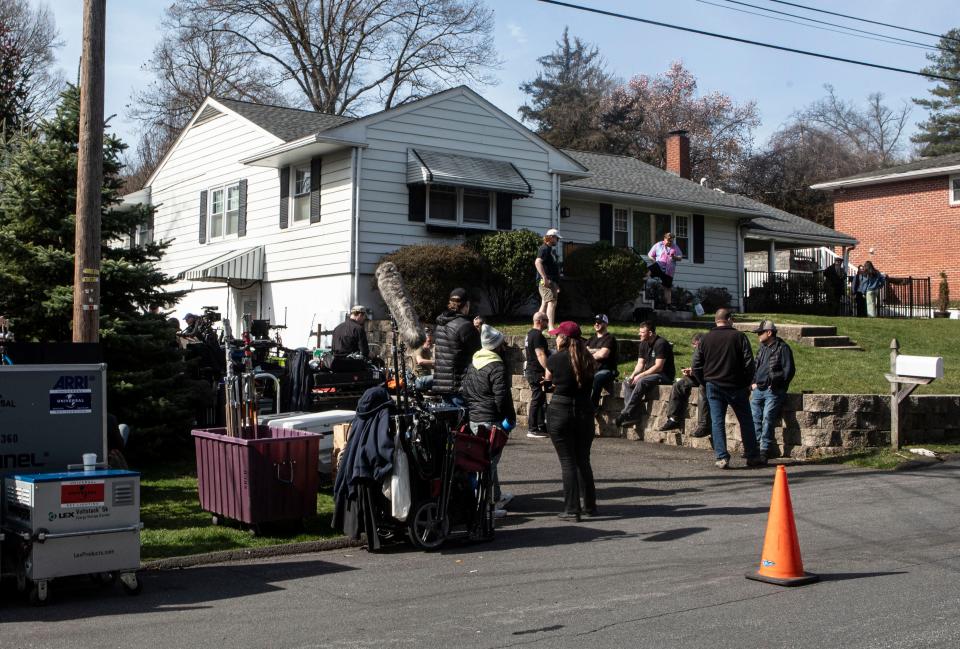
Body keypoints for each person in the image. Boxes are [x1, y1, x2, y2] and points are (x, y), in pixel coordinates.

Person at [692, 308, 762, 469]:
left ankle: (722, 457)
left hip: (713, 385)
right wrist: (745, 382)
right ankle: (752, 455)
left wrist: (704, 380)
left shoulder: (706, 339)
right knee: (746, 420)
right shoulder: (739, 337)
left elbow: (696, 364)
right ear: (729, 319)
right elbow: (749, 364)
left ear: (716, 320)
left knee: (717, 421)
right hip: (736, 385)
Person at [543, 321, 597, 521]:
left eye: (558, 335)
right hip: (584, 411)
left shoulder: (556, 359)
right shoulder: (588, 359)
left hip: (560, 411)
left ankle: (571, 507)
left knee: (567, 462)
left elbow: (548, 380)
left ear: (563, 338)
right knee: (583, 460)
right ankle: (590, 505)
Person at [461, 324, 517, 518]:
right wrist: (508, 419)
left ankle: (495, 496)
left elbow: (465, 390)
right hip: (491, 420)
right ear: (497, 346)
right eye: (502, 344)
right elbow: (501, 397)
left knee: (484, 461)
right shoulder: (497, 366)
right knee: (488, 465)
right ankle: (484, 508)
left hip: (475, 418)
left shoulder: (474, 362)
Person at [615, 321, 675, 427]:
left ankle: (625, 413)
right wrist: (633, 375)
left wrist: (641, 375)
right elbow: (640, 364)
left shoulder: (661, 343)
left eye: (642, 332)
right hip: (650, 374)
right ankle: (633, 415)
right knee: (627, 382)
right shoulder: (643, 343)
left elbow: (658, 367)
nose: (639, 334)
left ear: (650, 333)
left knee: (641, 381)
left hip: (664, 375)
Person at [751, 320, 795, 462]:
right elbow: (754, 367)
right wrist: (753, 383)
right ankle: (756, 448)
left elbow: (788, 371)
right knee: (755, 418)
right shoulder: (762, 348)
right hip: (758, 389)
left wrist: (775, 383)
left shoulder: (783, 348)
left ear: (769, 333)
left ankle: (765, 450)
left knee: (768, 419)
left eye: (760, 332)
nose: (758, 335)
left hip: (773, 391)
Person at [658, 332, 711, 438]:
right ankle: (673, 419)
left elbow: (711, 368)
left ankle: (704, 425)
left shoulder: (709, 350)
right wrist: (690, 371)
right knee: (678, 384)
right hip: (697, 376)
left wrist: (694, 372)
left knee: (702, 389)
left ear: (700, 343)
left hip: (707, 378)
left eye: (696, 346)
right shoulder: (699, 352)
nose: (695, 349)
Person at [433, 288, 482, 400]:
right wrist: (477, 331)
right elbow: (478, 351)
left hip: (441, 384)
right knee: (462, 416)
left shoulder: (440, 323)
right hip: (459, 385)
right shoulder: (464, 325)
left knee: (449, 416)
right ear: (466, 305)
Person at [524, 312, 550, 439]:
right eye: (546, 320)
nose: (548, 322)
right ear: (539, 321)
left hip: (531, 370)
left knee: (540, 399)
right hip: (536, 371)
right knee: (537, 398)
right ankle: (532, 428)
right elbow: (540, 354)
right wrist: (548, 369)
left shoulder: (530, 334)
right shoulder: (538, 335)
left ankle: (540, 426)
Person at [586, 314, 618, 411]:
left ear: (606, 324)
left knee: (598, 378)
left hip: (607, 370)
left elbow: (603, 355)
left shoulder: (610, 338)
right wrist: (597, 351)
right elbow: (584, 353)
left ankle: (593, 407)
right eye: (595, 322)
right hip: (592, 370)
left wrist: (591, 352)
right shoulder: (591, 339)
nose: (596, 324)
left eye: (599, 322)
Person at [535, 228, 562, 331]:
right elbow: (537, 262)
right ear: (551, 237)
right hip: (546, 281)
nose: (558, 241)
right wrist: (544, 278)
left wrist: (556, 284)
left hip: (552, 281)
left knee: (545, 302)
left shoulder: (550, 250)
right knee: (551, 302)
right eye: (556, 238)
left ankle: (538, 327)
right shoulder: (544, 249)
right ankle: (550, 328)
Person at [647, 232, 683, 309]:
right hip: (659, 265)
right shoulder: (658, 245)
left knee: (667, 287)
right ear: (664, 238)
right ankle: (642, 281)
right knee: (648, 270)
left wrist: (675, 257)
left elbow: (680, 257)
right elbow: (650, 254)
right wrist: (654, 261)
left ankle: (668, 305)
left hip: (669, 271)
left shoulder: (675, 247)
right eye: (668, 240)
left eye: (671, 240)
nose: (670, 242)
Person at [411, 328, 435, 392]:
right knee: (439, 377)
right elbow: (420, 361)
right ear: (424, 341)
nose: (431, 343)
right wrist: (434, 361)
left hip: (426, 378)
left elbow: (429, 365)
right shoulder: (419, 349)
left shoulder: (427, 352)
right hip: (420, 380)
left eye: (431, 341)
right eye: (429, 341)